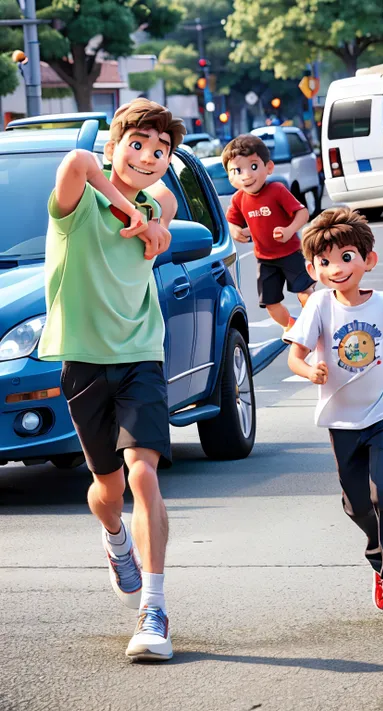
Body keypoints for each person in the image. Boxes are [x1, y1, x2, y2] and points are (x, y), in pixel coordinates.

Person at [38, 98, 186, 660]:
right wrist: (135, 216)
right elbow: (77, 159)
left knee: (143, 473)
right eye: (138, 145)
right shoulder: (77, 204)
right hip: (83, 358)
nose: (149, 157)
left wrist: (160, 221)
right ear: (114, 148)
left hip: (142, 352)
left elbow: (168, 197)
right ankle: (116, 540)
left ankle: (155, 608)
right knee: (108, 491)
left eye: (160, 149)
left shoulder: (161, 198)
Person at [286, 207, 383, 618]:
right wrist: (310, 369)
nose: (337, 268)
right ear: (312, 268)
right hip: (341, 421)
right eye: (325, 262)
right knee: (357, 504)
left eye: (347, 257)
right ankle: (381, 562)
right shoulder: (320, 308)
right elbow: (295, 356)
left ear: (368, 260)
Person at [222, 134, 315, 333]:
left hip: (290, 253)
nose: (246, 175)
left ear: (269, 167)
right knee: (271, 304)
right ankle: (292, 328)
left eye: (253, 167)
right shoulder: (238, 199)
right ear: (229, 176)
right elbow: (231, 221)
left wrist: (290, 230)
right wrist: (235, 230)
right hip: (264, 259)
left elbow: (302, 212)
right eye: (237, 170)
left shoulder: (277, 190)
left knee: (306, 293)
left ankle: (315, 323)